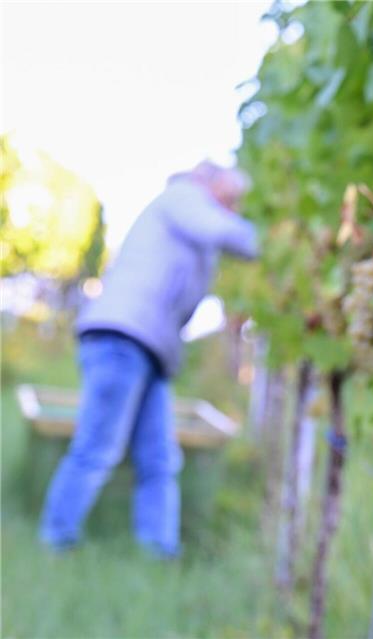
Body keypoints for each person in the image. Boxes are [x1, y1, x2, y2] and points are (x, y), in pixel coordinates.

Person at [39, 161, 259, 558]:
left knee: (159, 457)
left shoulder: (191, 209)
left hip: (150, 346)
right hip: (123, 337)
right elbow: (222, 231)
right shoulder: (184, 197)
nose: (233, 210)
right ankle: (56, 541)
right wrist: (269, 243)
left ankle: (159, 552)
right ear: (209, 183)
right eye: (229, 200)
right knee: (97, 447)